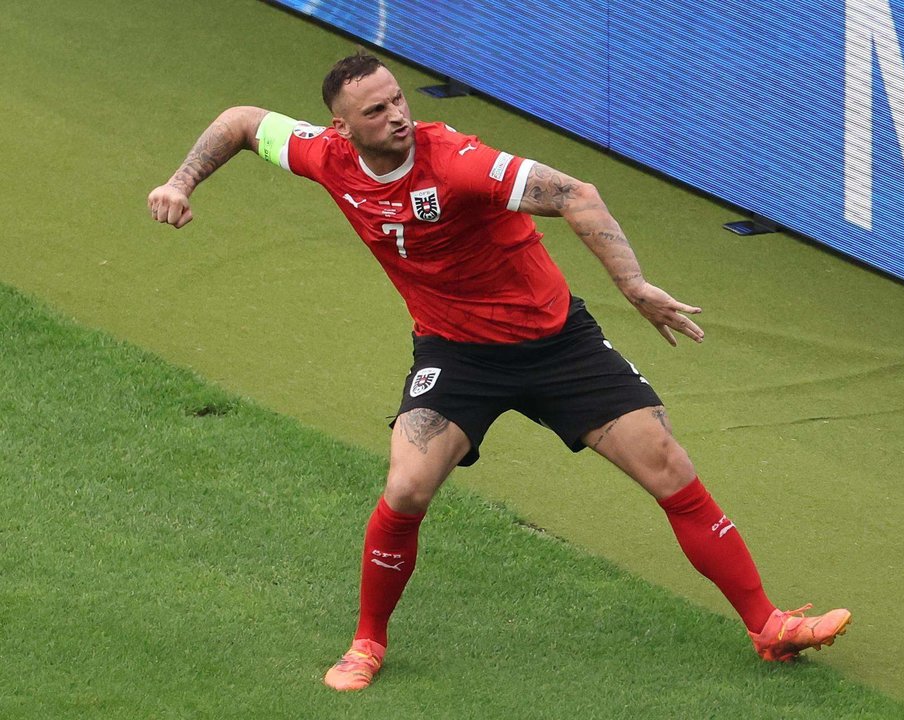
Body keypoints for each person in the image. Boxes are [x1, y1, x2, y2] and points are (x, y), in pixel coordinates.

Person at [147, 52, 850, 691]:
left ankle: (769, 626)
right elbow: (240, 122)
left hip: (558, 344)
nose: (396, 115)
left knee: (667, 464)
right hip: (457, 356)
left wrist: (634, 286)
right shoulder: (323, 156)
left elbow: (577, 194)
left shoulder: (456, 161)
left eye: (398, 99)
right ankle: (367, 642)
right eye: (376, 110)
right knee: (407, 486)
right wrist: (181, 184)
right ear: (342, 127)